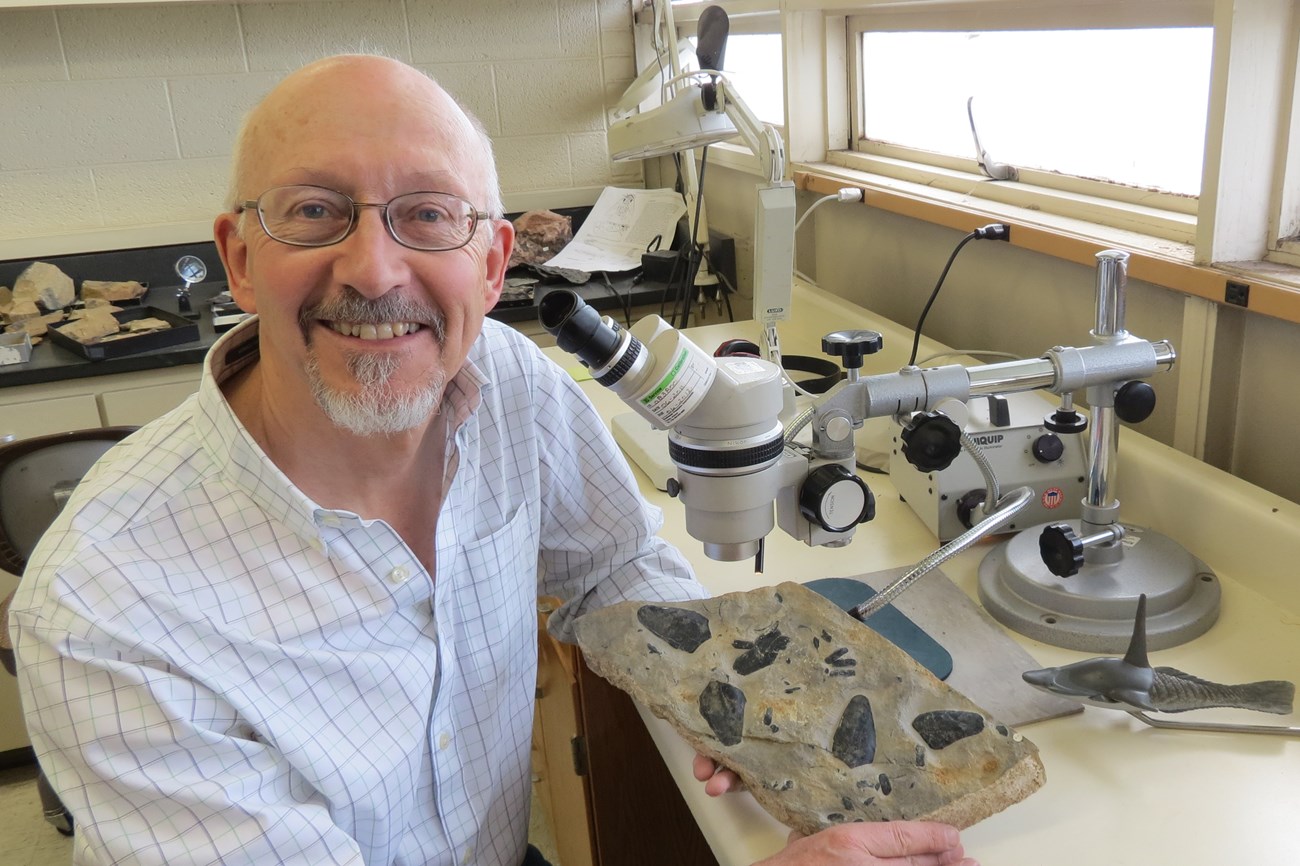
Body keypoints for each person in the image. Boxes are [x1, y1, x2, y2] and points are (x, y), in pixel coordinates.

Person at [9, 55, 974, 866]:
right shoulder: (106, 609)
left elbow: (610, 563)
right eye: (313, 211)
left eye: (428, 215)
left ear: (494, 262)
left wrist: (714, 693)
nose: (375, 271)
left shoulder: (509, 379)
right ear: (239, 259)